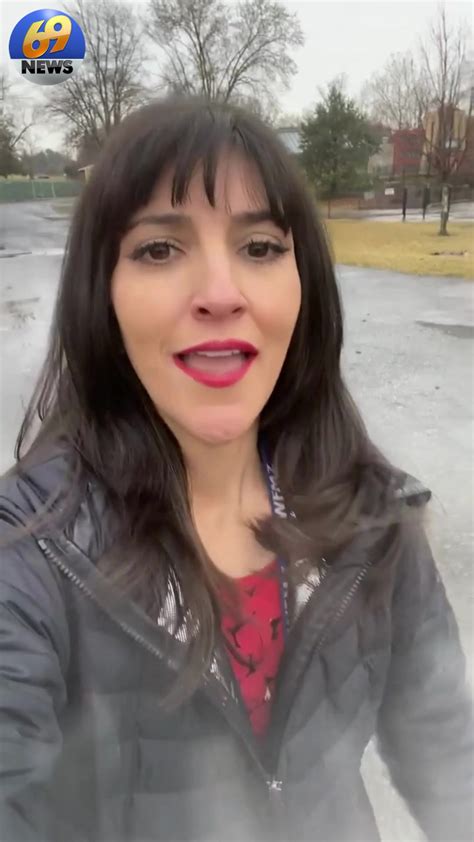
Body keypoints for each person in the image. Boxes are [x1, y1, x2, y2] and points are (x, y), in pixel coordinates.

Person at [0, 96, 472, 842]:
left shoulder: (372, 516)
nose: (221, 295)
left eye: (259, 247)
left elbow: (450, 754)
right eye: (160, 249)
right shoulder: (30, 557)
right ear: (102, 294)